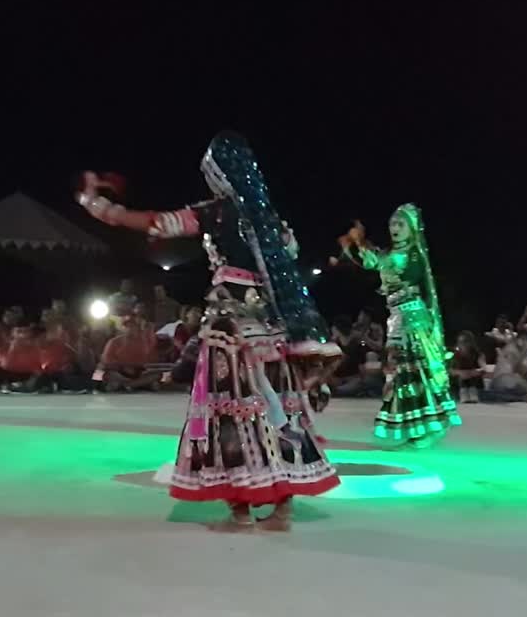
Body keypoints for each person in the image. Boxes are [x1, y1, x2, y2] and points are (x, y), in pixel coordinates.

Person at [75, 131, 341, 531]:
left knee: (231, 410)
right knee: (277, 411)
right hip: (269, 325)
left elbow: (153, 223)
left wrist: (96, 204)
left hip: (230, 325)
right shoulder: (271, 222)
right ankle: (282, 507)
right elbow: (289, 257)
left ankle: (240, 510)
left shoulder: (215, 212)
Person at [337, 205, 460, 447]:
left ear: (412, 228)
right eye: (393, 224)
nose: (395, 228)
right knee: (397, 373)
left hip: (413, 319)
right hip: (396, 318)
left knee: (415, 372)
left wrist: (379, 259)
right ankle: (414, 427)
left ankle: (429, 424)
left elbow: (405, 275)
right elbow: (372, 263)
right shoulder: (391, 254)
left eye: (400, 224)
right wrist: (358, 244)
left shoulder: (414, 254)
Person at [97, 318, 159, 392]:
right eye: (127, 326)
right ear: (123, 328)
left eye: (133, 326)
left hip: (138, 373)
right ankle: (134, 384)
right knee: (107, 374)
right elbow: (106, 362)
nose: (130, 329)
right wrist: (123, 367)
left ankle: (129, 384)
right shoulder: (114, 342)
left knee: (157, 375)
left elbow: (149, 361)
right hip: (118, 372)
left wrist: (135, 367)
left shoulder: (145, 342)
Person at [449, 330, 487, 403]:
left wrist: (470, 373)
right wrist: (461, 373)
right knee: (461, 378)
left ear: (471, 342)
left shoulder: (478, 354)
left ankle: (473, 394)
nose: (462, 344)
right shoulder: (455, 356)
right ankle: (463, 394)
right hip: (461, 383)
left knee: (470, 379)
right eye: (460, 342)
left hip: (476, 384)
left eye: (465, 341)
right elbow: (450, 371)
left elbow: (484, 369)